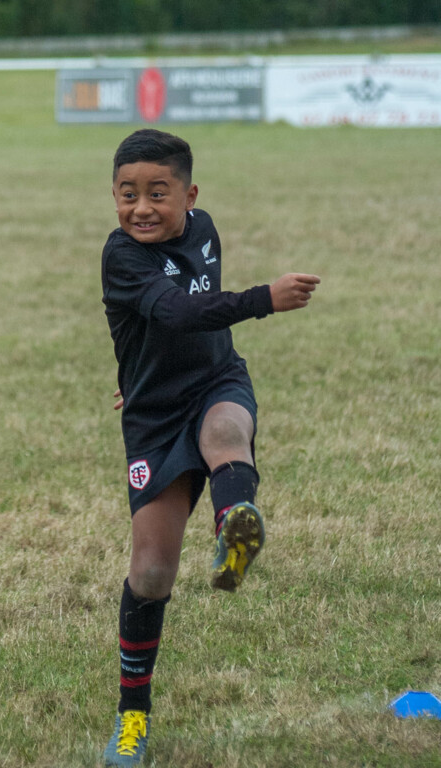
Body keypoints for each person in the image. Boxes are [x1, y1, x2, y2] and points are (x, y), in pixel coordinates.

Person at [101, 128, 320, 766]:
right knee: (151, 572)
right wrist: (262, 300)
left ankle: (234, 527)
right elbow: (172, 314)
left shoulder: (204, 231)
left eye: (158, 193)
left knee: (226, 432)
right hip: (154, 416)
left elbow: (190, 320)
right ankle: (133, 717)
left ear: (190, 196)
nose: (141, 207)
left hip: (216, 381)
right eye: (127, 194)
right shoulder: (120, 255)